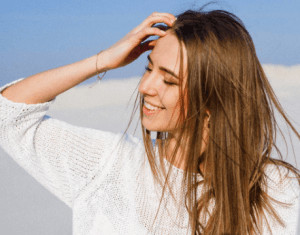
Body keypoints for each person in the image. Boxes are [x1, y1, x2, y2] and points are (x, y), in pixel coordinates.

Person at [0, 9, 299, 235]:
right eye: (148, 69)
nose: (145, 87)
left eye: (168, 81)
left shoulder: (276, 190)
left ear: (212, 103)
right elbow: (8, 114)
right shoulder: (109, 165)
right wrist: (103, 60)